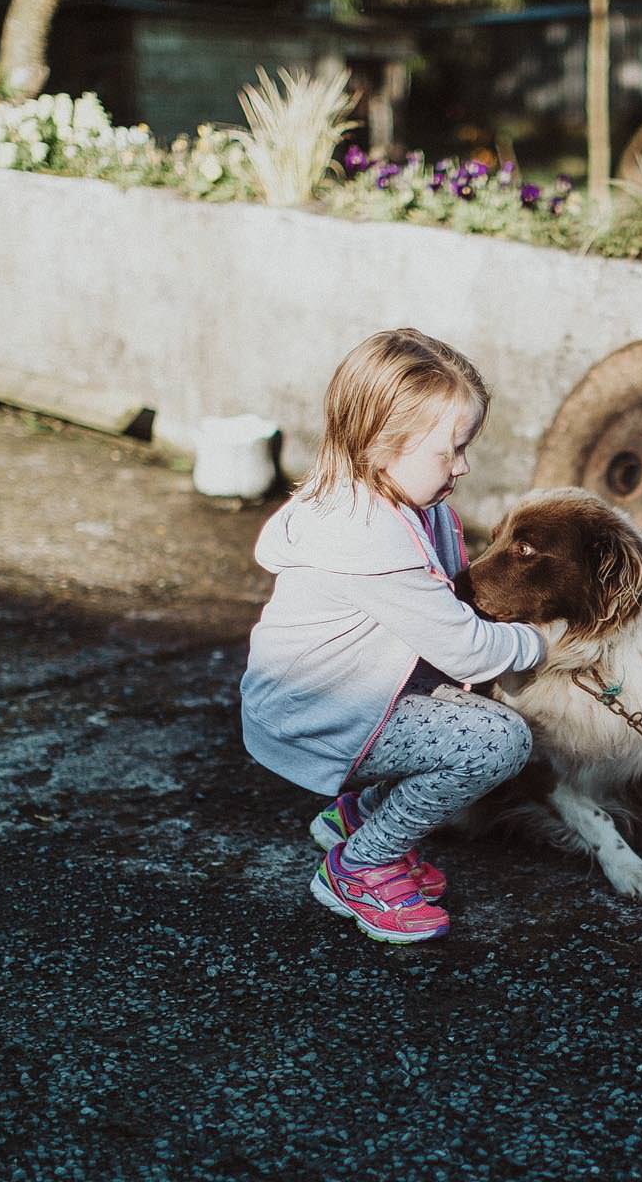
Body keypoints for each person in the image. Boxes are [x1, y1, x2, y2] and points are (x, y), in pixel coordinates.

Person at [239, 328, 546, 943]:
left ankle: (358, 816)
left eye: (466, 446)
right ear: (382, 446)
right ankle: (359, 866)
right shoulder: (367, 536)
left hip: (338, 697)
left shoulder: (403, 500)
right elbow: (467, 647)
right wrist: (541, 643)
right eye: (451, 450)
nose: (463, 466)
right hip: (315, 716)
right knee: (497, 742)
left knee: (464, 710)